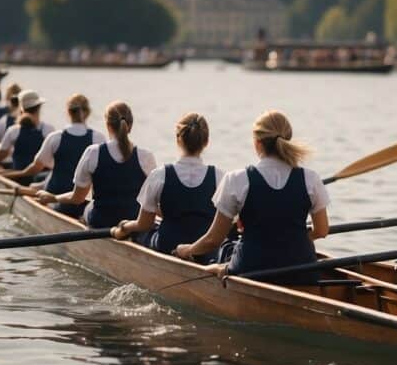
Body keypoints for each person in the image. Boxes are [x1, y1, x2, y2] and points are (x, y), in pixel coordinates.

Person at [174, 110, 329, 285]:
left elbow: (213, 240)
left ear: (258, 143)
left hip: (251, 270)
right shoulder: (311, 178)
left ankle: (219, 268)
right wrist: (291, 240)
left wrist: (187, 250)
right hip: (303, 270)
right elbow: (322, 231)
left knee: (225, 247)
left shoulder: (237, 179)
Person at [111, 113, 224, 262]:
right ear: (206, 141)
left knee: (139, 232)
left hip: (168, 246)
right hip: (205, 252)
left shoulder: (160, 175)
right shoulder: (220, 176)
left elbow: (144, 223)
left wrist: (125, 227)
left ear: (178, 139)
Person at [35, 100, 156, 228]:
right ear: (130, 126)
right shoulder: (146, 156)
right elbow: (153, 200)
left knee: (88, 206)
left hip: (100, 220)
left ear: (108, 125)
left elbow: (77, 198)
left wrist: (53, 198)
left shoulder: (93, 152)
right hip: (132, 221)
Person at [0, 94, 106, 216]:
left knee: (36, 184)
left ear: (68, 112)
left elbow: (36, 168)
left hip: (54, 197)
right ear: (88, 112)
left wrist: (13, 175)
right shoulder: (99, 139)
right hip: (82, 202)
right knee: (38, 183)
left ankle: (31, 189)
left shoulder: (55, 138)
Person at [0, 90, 55, 172]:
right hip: (41, 175)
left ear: (21, 109)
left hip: (19, 176)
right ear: (39, 107)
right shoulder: (49, 129)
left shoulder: (13, 131)